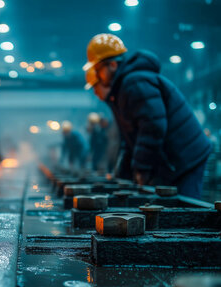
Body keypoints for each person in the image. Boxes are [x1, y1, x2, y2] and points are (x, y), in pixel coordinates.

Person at [83, 33, 211, 198]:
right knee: (168, 205)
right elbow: (131, 141)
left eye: (98, 69)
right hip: (174, 157)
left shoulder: (134, 83)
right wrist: (123, 175)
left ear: (113, 65)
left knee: (183, 206)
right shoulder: (123, 89)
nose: (97, 74)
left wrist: (141, 168)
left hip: (186, 155)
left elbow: (153, 126)